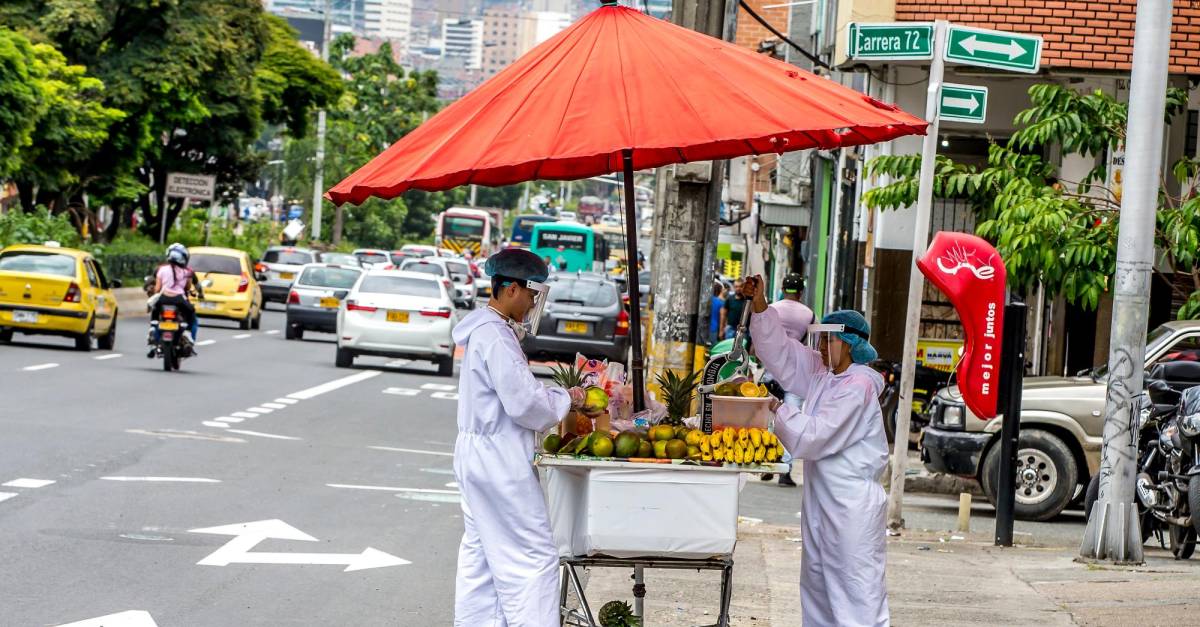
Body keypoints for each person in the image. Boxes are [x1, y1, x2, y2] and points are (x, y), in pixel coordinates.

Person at [451, 248, 590, 626]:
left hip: (476, 455)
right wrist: (569, 398)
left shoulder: (484, 331)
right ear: (510, 289)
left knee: (482, 556)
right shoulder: (496, 337)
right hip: (499, 460)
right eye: (531, 294)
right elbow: (525, 403)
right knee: (533, 557)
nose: (532, 304)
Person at [746, 274, 889, 627]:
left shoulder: (858, 387)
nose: (821, 348)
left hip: (851, 506)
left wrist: (777, 408)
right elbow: (781, 353)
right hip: (823, 503)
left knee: (856, 595)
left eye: (828, 341)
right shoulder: (826, 375)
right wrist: (761, 305)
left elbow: (813, 437)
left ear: (848, 343)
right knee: (819, 590)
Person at [760, 273, 813, 487]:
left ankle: (767, 459)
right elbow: (813, 344)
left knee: (769, 419)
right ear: (800, 292)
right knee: (791, 420)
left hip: (772, 371)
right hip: (797, 375)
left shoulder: (772, 309)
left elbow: (760, 336)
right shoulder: (809, 314)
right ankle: (784, 470)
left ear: (782, 289)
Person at [149, 243, 204, 355]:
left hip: (163, 298)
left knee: (155, 308)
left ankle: (153, 329)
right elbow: (188, 287)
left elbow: (157, 289)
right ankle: (187, 334)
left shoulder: (161, 269)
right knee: (191, 313)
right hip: (179, 300)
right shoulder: (187, 272)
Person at [708, 282, 725, 347]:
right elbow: (722, 317)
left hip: (704, 327)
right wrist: (721, 331)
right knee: (712, 347)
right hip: (714, 328)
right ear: (720, 291)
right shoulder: (720, 303)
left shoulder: (706, 301)